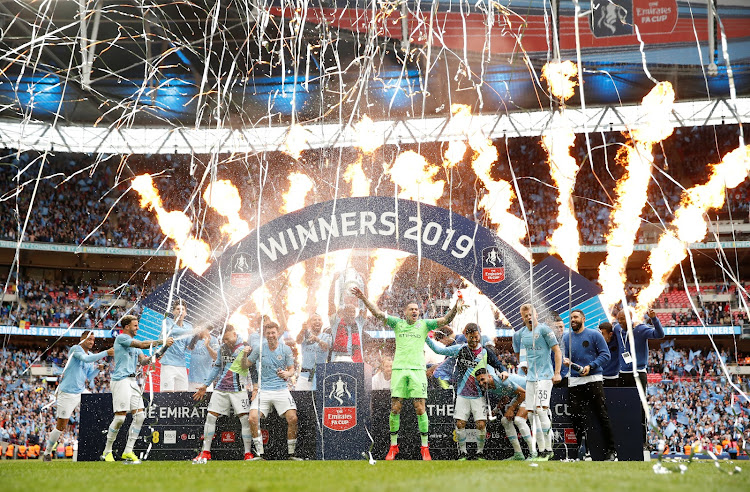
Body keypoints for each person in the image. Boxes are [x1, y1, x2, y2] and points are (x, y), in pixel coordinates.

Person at [351, 285, 462, 461]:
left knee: (420, 408)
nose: (415, 311)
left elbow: (446, 319)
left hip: (418, 370)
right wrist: (364, 299)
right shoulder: (398, 323)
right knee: (396, 408)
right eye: (411, 309)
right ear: (405, 312)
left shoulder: (425, 325)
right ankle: (393, 446)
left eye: (417, 309)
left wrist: (456, 306)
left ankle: (425, 448)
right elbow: (378, 313)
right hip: (400, 369)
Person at [425, 323, 508, 460]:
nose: (474, 340)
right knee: (460, 424)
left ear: (479, 335)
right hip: (462, 394)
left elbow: (497, 364)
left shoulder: (485, 352)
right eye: (471, 337)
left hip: (479, 395)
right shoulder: (459, 349)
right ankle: (462, 453)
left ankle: (480, 453)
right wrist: (425, 337)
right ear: (466, 336)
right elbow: (438, 350)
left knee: (481, 425)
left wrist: (504, 371)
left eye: (476, 337)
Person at [101, 315, 173, 463]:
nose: (137, 328)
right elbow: (142, 345)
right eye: (135, 325)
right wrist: (161, 341)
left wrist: (164, 348)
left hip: (133, 381)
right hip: (121, 380)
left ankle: (128, 451)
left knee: (140, 416)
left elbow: (145, 361)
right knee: (120, 418)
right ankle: (107, 451)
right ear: (127, 327)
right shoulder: (122, 338)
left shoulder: (133, 345)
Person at [43, 331, 114, 461]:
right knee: (61, 425)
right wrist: (105, 353)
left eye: (93, 340)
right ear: (82, 339)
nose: (91, 342)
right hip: (67, 393)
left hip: (81, 391)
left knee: (97, 407)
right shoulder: (75, 349)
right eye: (89, 339)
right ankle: (47, 452)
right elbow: (85, 359)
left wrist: (98, 369)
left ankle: (97, 448)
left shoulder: (91, 355)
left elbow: (88, 377)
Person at [192, 324, 254, 462]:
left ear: (234, 334)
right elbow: (217, 368)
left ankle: (248, 453)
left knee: (244, 420)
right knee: (210, 417)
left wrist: (255, 387)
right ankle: (206, 452)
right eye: (224, 339)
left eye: (227, 338)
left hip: (239, 389)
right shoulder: (222, 348)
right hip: (221, 388)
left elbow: (249, 367)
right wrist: (205, 385)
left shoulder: (246, 347)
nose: (226, 342)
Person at [561, 309, 617, 461]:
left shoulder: (594, 334)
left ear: (583, 319)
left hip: (593, 379)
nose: (573, 319)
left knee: (602, 415)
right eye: (571, 317)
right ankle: (579, 452)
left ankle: (612, 451)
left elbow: (606, 355)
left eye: (576, 317)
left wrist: (590, 366)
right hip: (574, 381)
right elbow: (563, 357)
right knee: (576, 418)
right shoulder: (566, 337)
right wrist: (565, 361)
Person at [513, 303, 562, 461]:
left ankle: (548, 449)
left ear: (536, 315)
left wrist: (557, 373)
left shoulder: (544, 330)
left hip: (545, 377)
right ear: (522, 317)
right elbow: (524, 355)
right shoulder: (522, 334)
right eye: (525, 315)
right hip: (531, 379)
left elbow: (557, 351)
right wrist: (525, 366)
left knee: (541, 410)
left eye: (530, 314)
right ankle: (541, 451)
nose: (528, 317)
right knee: (533, 414)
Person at [247, 322, 301, 460]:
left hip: (281, 389)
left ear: (278, 333)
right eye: (268, 333)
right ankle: (260, 454)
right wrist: (243, 354)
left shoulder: (286, 349)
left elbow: (292, 369)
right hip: (263, 390)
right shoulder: (259, 348)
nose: (271, 335)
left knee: (293, 418)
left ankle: (291, 454)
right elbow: (247, 364)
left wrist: (287, 374)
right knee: (252, 418)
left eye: (273, 332)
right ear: (265, 334)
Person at [614, 307, 664, 446]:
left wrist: (654, 319)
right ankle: (623, 437)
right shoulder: (617, 329)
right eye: (618, 319)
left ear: (631, 319)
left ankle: (642, 440)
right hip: (623, 373)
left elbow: (660, 334)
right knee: (622, 405)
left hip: (639, 373)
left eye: (623, 319)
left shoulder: (641, 329)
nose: (620, 322)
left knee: (640, 406)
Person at [477, 369, 534, 461]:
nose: (481, 383)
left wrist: (511, 409)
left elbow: (523, 393)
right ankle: (518, 454)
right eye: (479, 381)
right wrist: (495, 411)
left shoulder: (501, 381)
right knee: (505, 420)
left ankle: (533, 453)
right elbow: (506, 397)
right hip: (522, 393)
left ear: (490, 376)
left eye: (482, 379)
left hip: (531, 390)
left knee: (519, 420)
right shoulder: (490, 386)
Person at [160, 300, 194, 392]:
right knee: (166, 393)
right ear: (173, 312)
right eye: (178, 309)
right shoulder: (166, 322)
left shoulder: (189, 326)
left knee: (182, 394)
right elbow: (171, 331)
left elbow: (189, 345)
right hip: (168, 364)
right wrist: (191, 332)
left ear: (186, 313)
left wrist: (196, 338)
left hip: (181, 365)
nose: (180, 311)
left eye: (183, 309)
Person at [295, 314, 331, 390]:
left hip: (320, 375)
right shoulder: (305, 334)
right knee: (299, 399)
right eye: (314, 320)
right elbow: (298, 341)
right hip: (305, 375)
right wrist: (302, 330)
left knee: (318, 401)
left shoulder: (327, 336)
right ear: (309, 323)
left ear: (322, 323)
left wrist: (317, 339)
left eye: (319, 320)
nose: (317, 321)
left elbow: (326, 347)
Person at [187, 327, 219, 392]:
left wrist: (207, 346)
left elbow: (216, 357)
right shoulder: (192, 338)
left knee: (206, 401)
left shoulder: (213, 340)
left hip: (206, 381)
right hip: (191, 380)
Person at [598, 322, 620, 387]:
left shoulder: (617, 341)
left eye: (603, 334)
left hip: (613, 378)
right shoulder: (597, 343)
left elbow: (619, 328)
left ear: (610, 334)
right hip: (599, 377)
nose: (600, 336)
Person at [551, 315, 569, 388]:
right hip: (550, 377)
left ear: (564, 327)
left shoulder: (568, 339)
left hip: (566, 377)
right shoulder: (547, 340)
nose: (559, 329)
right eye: (556, 327)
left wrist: (561, 375)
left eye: (561, 327)